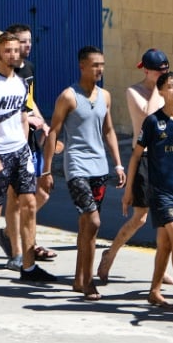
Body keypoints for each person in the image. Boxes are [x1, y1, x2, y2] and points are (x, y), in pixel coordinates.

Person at [39, 46, 127, 300]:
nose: (99, 69)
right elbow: (53, 131)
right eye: (94, 65)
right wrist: (46, 170)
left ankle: (79, 279)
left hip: (99, 168)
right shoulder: (68, 96)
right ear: (82, 66)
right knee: (94, 221)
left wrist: (118, 164)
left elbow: (109, 130)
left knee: (88, 227)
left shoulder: (105, 96)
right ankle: (88, 281)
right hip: (76, 166)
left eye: (102, 65)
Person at [122, 70, 173, 315]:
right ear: (161, 91)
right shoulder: (152, 122)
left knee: (165, 244)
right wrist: (129, 190)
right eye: (171, 86)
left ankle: (154, 291)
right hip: (159, 193)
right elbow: (137, 156)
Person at [98, 49, 171, 284]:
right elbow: (151, 116)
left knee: (167, 218)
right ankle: (110, 254)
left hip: (165, 159)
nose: (163, 75)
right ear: (147, 71)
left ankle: (162, 269)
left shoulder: (166, 91)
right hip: (144, 159)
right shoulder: (134, 92)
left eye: (165, 71)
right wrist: (159, 90)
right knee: (140, 217)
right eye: (159, 71)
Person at [0, 32, 53, 282]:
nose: (14, 55)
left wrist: (26, 148)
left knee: (30, 204)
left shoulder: (21, 82)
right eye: (8, 51)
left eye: (16, 50)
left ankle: (28, 267)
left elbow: (23, 117)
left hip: (19, 152)